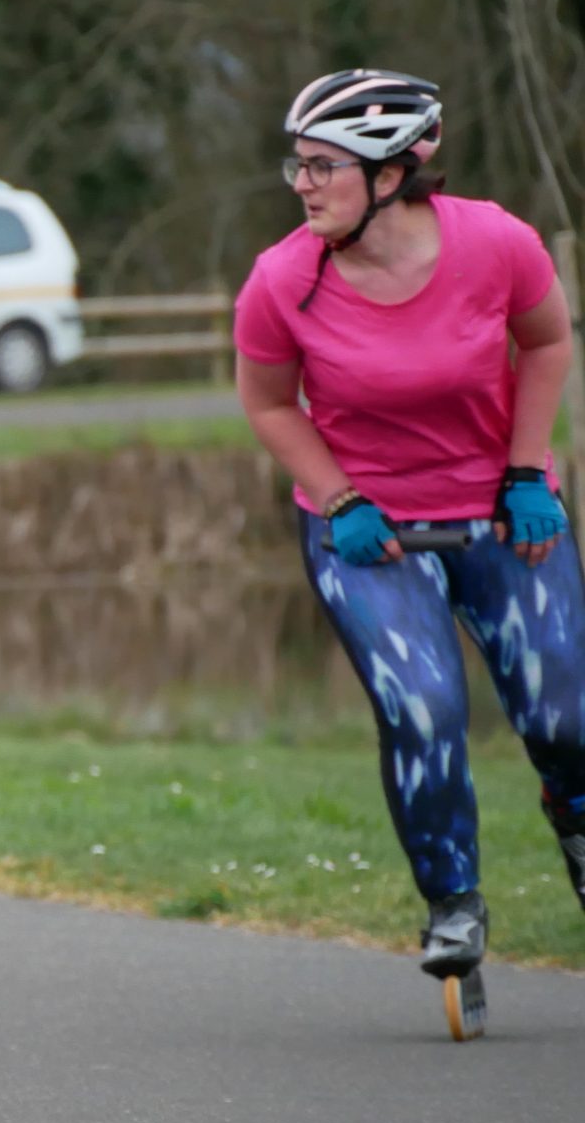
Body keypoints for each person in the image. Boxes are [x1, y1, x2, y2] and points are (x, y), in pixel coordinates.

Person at [234, 68, 584, 1034]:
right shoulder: (282, 279)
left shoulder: (496, 243)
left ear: (390, 174)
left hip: (504, 512)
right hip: (368, 529)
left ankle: (577, 819)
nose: (302, 184)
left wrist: (527, 472)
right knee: (423, 709)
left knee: (565, 719)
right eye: (298, 165)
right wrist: (339, 498)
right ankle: (453, 903)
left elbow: (548, 344)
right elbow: (269, 403)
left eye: (323, 166)